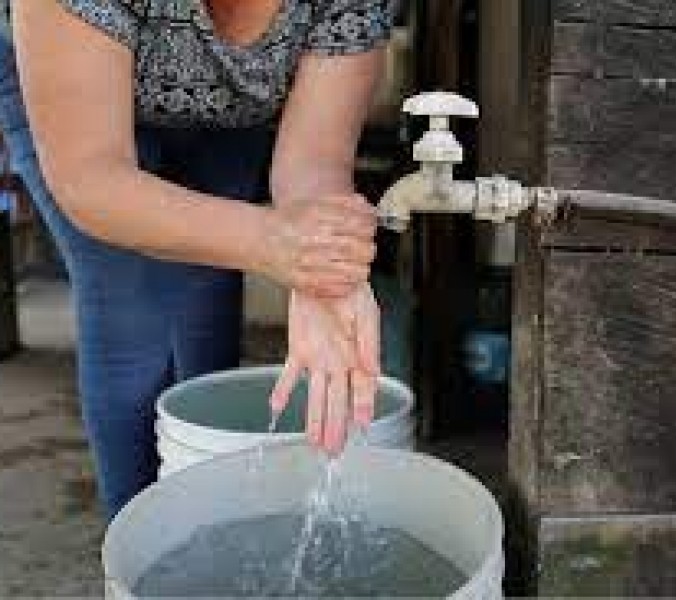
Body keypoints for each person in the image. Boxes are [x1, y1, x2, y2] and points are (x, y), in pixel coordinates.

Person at [9, 0, 394, 518]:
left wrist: (321, 264)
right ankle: (138, 545)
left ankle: (207, 508)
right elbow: (92, 180)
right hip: (78, 96)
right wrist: (271, 241)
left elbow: (314, 164)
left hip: (233, 112)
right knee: (128, 305)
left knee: (209, 279)